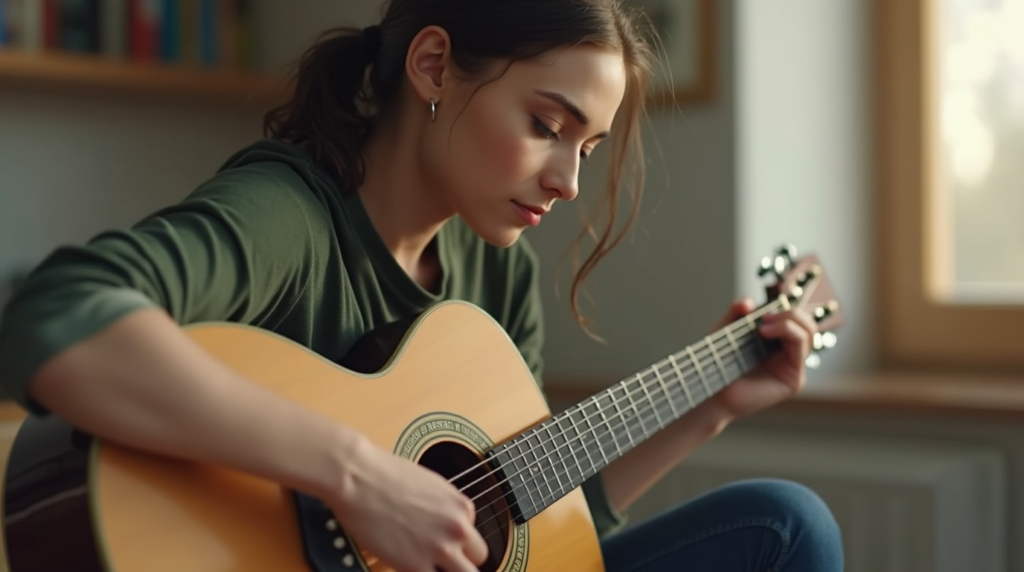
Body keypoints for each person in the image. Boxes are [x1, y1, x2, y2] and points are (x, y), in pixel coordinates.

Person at [0, 1, 843, 570]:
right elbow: (60, 312)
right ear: (434, 66)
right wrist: (354, 476)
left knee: (783, 526)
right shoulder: (291, 215)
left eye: (586, 149)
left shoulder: (496, 275)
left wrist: (717, 403)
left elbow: (543, 520)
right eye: (548, 126)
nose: (569, 183)